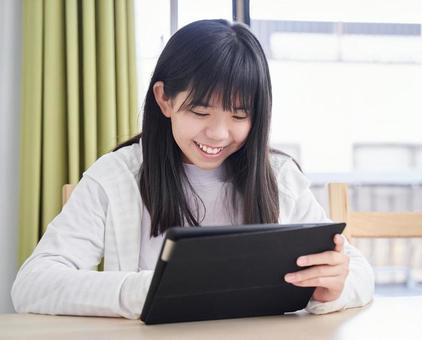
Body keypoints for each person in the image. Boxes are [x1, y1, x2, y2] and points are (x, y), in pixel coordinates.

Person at [11, 19, 374, 319]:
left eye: (239, 116)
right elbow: (32, 285)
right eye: (200, 113)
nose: (217, 134)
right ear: (164, 100)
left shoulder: (278, 177)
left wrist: (334, 289)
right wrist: (145, 289)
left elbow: (359, 271)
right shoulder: (117, 177)